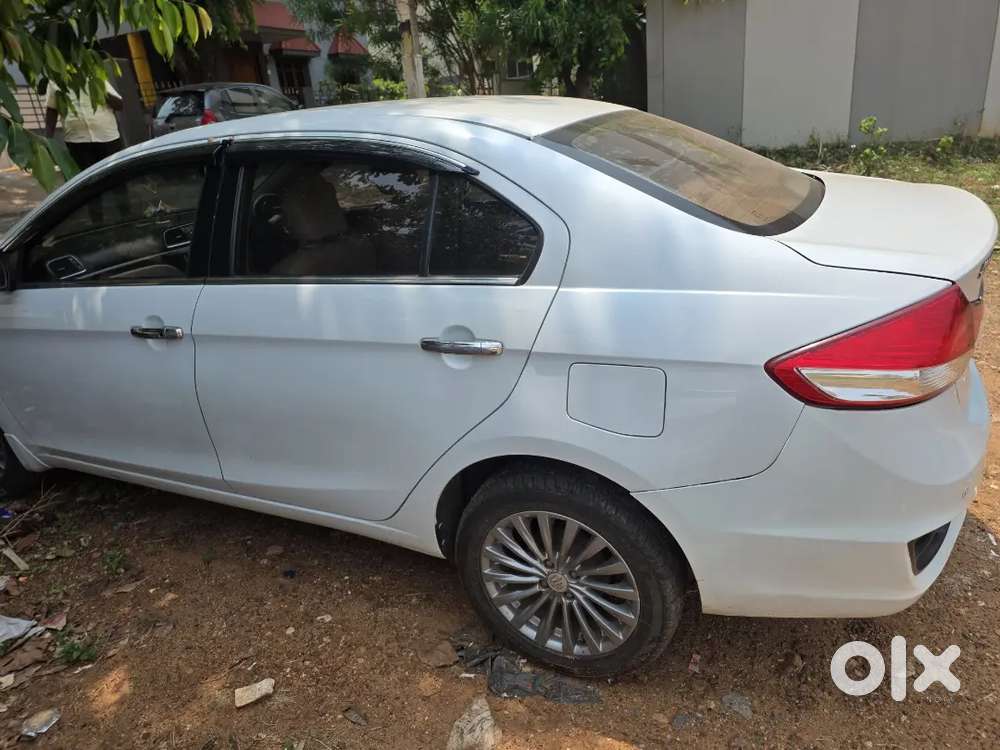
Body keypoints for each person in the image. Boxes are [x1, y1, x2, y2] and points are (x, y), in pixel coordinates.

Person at [44, 79, 124, 170]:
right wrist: (48, 139)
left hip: (107, 137)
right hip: (77, 141)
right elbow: (51, 110)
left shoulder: (93, 76)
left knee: (115, 174)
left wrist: (99, 89)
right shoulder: (54, 82)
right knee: (88, 177)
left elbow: (120, 105)